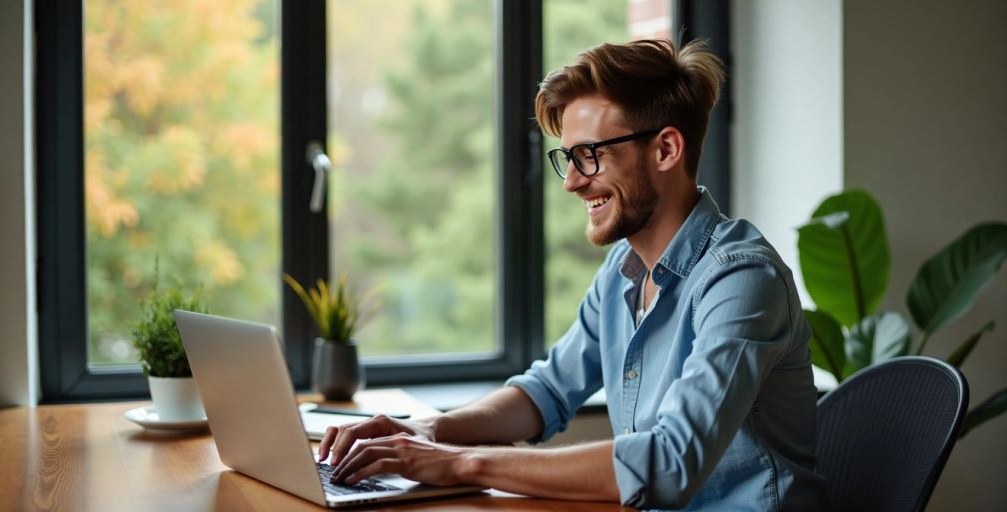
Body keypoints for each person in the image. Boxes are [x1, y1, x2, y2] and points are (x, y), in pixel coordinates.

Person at [319, 39, 826, 510]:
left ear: (666, 150)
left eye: (591, 155)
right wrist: (431, 430)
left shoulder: (740, 279)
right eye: (569, 157)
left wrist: (460, 462)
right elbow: (546, 393)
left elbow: (671, 462)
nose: (574, 183)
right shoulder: (621, 273)